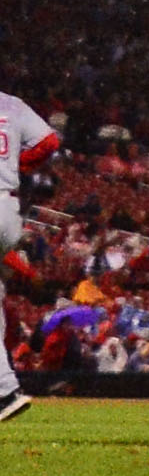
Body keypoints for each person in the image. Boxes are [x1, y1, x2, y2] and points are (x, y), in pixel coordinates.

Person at [0, 92, 43, 426]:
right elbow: (50, 141)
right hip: (8, 208)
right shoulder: (11, 104)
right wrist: (18, 164)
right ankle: (5, 391)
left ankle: (4, 390)